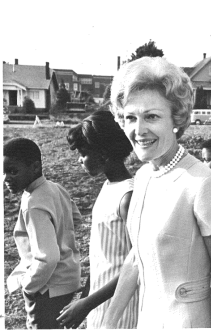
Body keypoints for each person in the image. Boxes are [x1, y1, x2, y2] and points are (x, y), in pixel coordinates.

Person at [101, 57, 211, 328]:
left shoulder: (202, 184)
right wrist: (108, 322)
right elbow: (136, 258)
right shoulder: (143, 177)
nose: (138, 130)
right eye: (130, 118)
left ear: (176, 119)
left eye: (151, 116)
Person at [57, 110, 138, 329]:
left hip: (122, 305)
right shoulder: (108, 187)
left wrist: (87, 304)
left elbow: (138, 263)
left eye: (83, 153)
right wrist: (85, 299)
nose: (79, 160)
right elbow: (100, 255)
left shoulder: (128, 197)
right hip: (98, 300)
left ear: (103, 154)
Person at [4, 138, 81, 329]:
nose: (6, 178)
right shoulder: (55, 188)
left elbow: (48, 258)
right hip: (68, 280)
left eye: (13, 171)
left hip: (47, 287)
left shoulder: (33, 203)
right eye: (3, 172)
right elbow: (76, 219)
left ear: (35, 167)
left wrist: (29, 286)